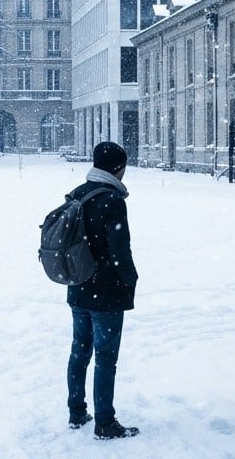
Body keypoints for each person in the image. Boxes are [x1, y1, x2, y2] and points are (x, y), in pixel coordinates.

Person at [65, 141, 140, 440]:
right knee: (105, 358)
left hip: (78, 286)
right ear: (118, 168)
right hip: (105, 291)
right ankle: (105, 422)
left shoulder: (78, 194)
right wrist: (130, 279)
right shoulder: (112, 200)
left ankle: (76, 410)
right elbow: (120, 250)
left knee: (79, 350)